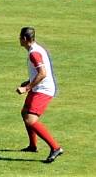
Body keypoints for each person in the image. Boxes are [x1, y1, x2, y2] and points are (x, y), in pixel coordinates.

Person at [15, 27, 63, 163]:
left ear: (25, 39)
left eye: (20, 37)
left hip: (43, 89)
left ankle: (55, 147)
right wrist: (28, 82)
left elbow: (43, 73)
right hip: (38, 87)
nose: (19, 39)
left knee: (31, 120)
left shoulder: (34, 53)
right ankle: (32, 146)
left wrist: (27, 88)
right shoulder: (36, 49)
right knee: (25, 113)